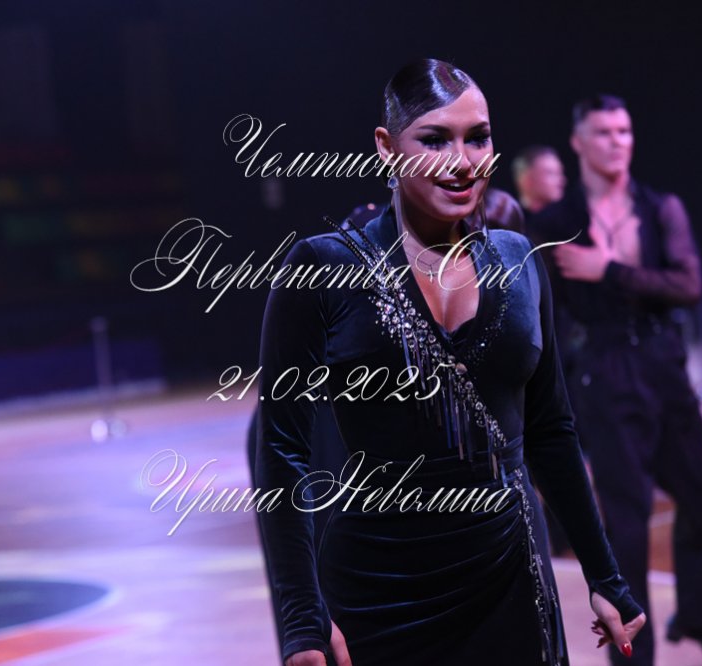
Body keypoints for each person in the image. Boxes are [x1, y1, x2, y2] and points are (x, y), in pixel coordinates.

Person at [255, 60, 645, 666]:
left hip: (512, 580)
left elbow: (551, 431)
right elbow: (282, 452)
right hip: (375, 593)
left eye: (478, 137)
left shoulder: (520, 260)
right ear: (386, 147)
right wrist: (302, 619)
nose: (463, 161)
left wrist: (605, 575)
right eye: (435, 139)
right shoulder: (322, 268)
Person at [528, 95, 702, 666]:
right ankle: (632, 659)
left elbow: (689, 285)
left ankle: (695, 614)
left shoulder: (660, 208)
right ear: (578, 142)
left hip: (664, 366)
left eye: (624, 131)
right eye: (604, 132)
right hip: (604, 374)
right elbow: (544, 311)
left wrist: (610, 270)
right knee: (627, 527)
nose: (617, 142)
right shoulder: (556, 223)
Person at [512, 145, 567, 220]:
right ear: (527, 180)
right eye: (551, 173)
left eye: (560, 173)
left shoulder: (568, 219)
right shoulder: (510, 221)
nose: (562, 181)